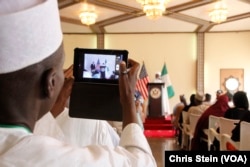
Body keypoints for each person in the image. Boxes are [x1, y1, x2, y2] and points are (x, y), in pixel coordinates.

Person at [0, 1, 156, 166]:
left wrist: (54, 107)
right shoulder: (43, 157)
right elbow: (141, 163)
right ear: (51, 83)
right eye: (62, 69)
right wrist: (128, 100)